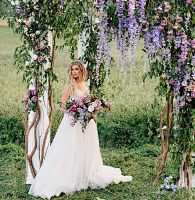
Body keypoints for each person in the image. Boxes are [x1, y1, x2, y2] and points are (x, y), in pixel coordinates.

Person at [29, 60, 132, 199]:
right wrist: (74, 110)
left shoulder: (85, 84)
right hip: (73, 121)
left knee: (86, 147)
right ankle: (70, 175)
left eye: (76, 69)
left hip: (87, 122)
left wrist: (91, 110)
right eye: (72, 69)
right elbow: (62, 103)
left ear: (81, 70)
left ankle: (85, 172)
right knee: (71, 147)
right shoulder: (70, 86)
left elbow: (87, 101)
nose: (74, 72)